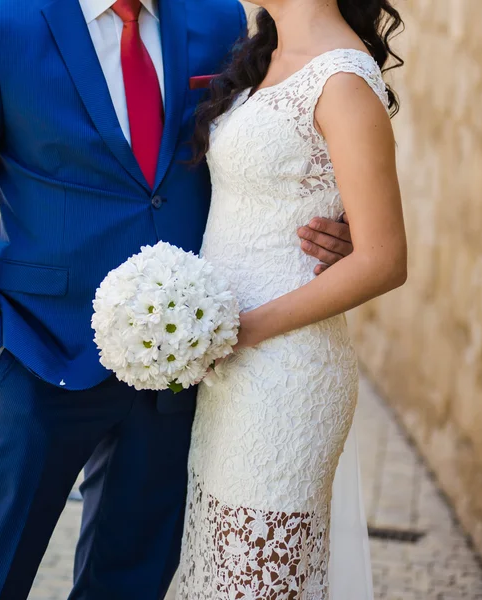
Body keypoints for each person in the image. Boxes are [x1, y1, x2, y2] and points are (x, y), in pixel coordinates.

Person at [0, 1, 354, 598]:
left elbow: (262, 148)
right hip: (36, 357)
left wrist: (328, 214)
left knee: (131, 585)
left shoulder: (219, 19)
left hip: (180, 371)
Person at [176, 1, 406, 598]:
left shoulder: (344, 78)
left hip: (287, 375)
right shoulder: (266, 54)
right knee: (219, 569)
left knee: (259, 579)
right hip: (227, 369)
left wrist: (243, 330)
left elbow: (383, 258)